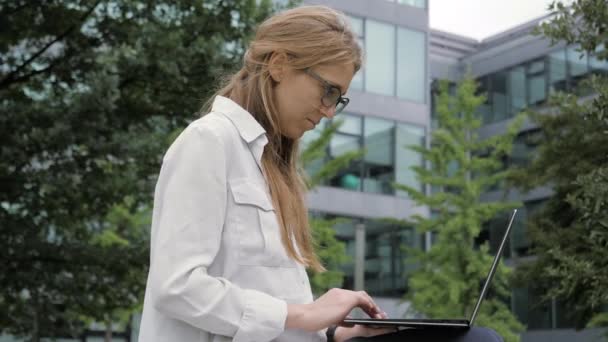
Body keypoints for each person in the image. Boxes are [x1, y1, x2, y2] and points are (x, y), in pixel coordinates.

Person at [138, 5, 503, 342]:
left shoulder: (272, 167)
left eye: (338, 99)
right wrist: (305, 313)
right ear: (279, 64)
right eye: (327, 91)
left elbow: (279, 311)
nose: (329, 112)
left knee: (474, 338)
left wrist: (335, 332)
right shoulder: (209, 141)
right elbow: (176, 287)